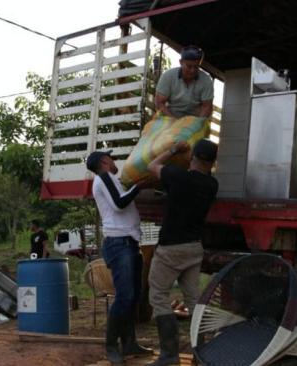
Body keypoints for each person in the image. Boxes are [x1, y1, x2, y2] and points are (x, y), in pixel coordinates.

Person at [146, 139, 219, 366]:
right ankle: (201, 354)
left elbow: (152, 166)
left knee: (158, 295)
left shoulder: (178, 176)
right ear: (213, 162)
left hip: (171, 248)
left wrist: (174, 150)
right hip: (193, 248)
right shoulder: (212, 184)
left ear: (192, 157)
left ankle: (169, 355)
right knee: (194, 299)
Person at [86, 150, 153, 364]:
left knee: (132, 296)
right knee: (125, 296)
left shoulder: (110, 179)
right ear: (105, 161)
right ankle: (111, 346)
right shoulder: (104, 177)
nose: (114, 162)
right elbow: (119, 203)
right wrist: (139, 186)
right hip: (119, 244)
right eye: (111, 158)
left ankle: (129, 343)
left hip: (128, 242)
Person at [155, 45, 214, 119]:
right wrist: (173, 121)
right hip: (170, 117)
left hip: (194, 120)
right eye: (189, 66)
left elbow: (207, 106)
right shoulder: (168, 76)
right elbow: (159, 103)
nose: (192, 70)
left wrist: (198, 123)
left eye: (196, 67)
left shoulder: (206, 80)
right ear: (181, 62)